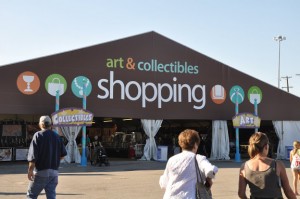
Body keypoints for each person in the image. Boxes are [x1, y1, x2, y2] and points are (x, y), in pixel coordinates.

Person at [159, 129, 218, 199]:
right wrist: (208, 181)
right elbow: (211, 170)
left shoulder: (172, 159)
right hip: (189, 196)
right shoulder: (198, 159)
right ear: (195, 145)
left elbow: (164, 183)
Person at [238, 132, 296, 199]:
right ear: (266, 146)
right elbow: (288, 191)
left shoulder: (244, 167)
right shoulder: (277, 164)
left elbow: (241, 194)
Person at [27, 115, 67, 199]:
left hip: (41, 172)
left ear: (40, 125)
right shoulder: (57, 137)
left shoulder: (38, 135)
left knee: (31, 195)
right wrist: (54, 160)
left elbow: (33, 156)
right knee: (51, 196)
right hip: (54, 173)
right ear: (51, 125)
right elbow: (63, 155)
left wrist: (30, 171)